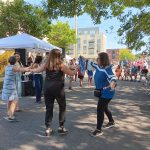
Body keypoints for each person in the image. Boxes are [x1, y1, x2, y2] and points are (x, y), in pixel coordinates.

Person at [30, 49, 78, 136]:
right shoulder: (61, 65)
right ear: (59, 55)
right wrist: (76, 70)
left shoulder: (46, 64)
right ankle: (61, 127)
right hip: (58, 88)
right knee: (62, 107)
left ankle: (48, 129)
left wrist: (30, 69)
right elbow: (71, 73)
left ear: (51, 55)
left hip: (47, 88)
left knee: (49, 108)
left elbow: (37, 70)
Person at [82, 52, 117, 137]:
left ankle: (98, 130)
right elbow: (91, 63)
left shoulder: (107, 69)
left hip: (107, 93)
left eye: (98, 58)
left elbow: (113, 78)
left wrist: (113, 83)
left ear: (102, 60)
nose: (96, 60)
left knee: (100, 109)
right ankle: (111, 121)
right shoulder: (98, 66)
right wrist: (84, 59)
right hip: (101, 92)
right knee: (104, 108)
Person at [2, 56, 29, 121]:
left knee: (9, 100)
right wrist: (30, 68)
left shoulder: (7, 67)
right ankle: (11, 116)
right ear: (15, 62)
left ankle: (9, 113)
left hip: (6, 85)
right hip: (11, 87)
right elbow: (22, 69)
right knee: (14, 100)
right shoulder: (13, 67)